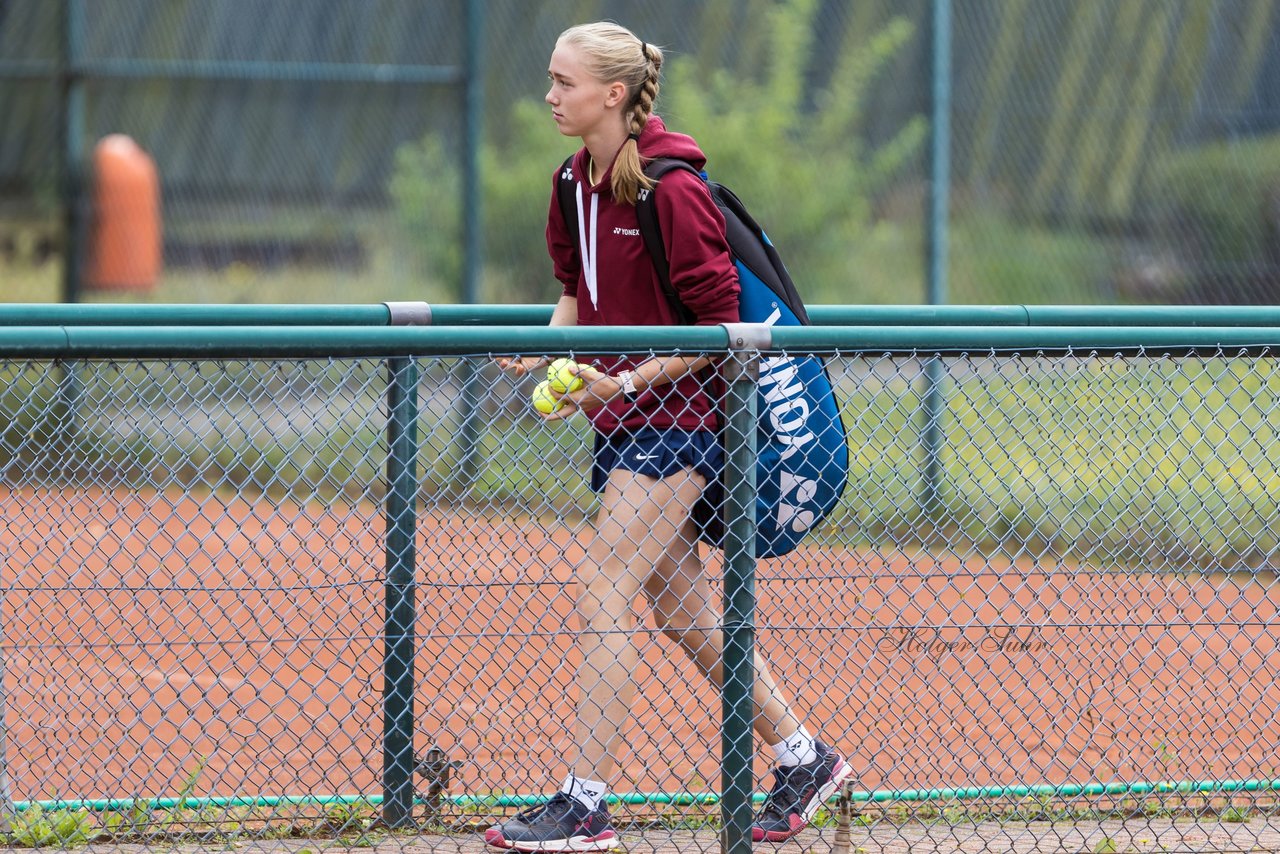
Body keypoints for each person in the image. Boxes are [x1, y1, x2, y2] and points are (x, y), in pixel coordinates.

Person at [487, 21, 849, 852]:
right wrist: (553, 358)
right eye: (550, 78)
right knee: (682, 612)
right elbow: (576, 293)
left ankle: (584, 806)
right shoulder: (570, 182)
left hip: (680, 423)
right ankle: (806, 758)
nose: (549, 95)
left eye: (563, 81)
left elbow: (724, 329)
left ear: (613, 94)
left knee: (609, 582)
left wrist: (633, 378)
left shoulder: (672, 188)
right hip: (621, 418)